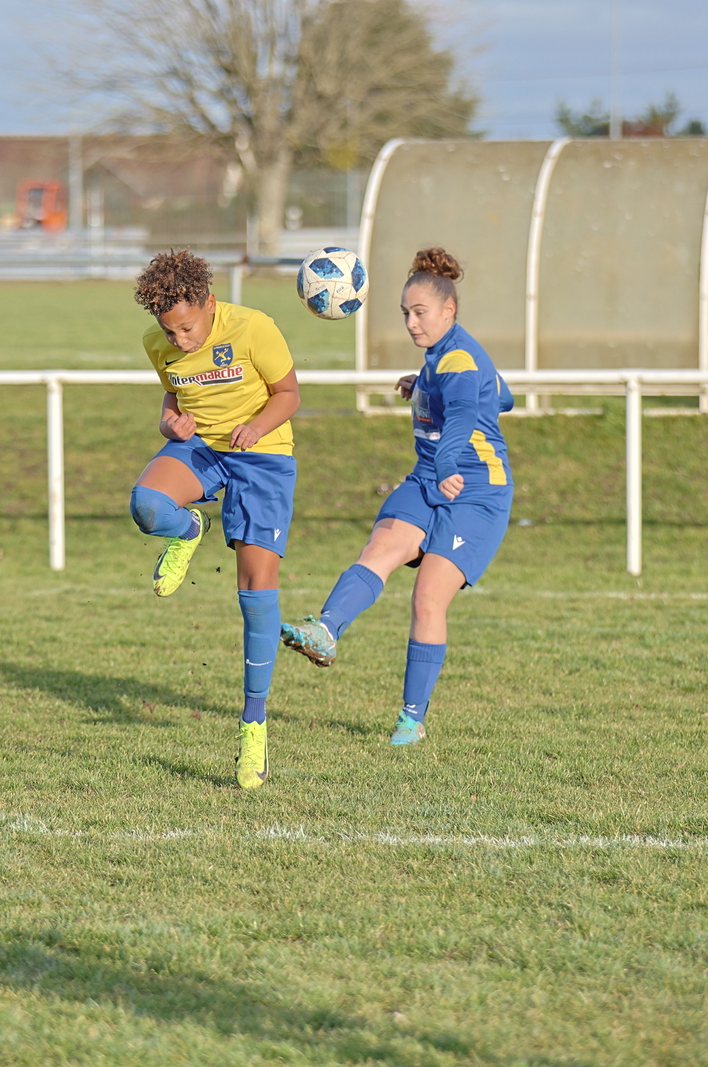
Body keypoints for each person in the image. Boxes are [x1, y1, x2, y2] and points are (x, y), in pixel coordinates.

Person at [280, 247, 513, 745]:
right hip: (428, 479)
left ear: (449, 310)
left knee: (428, 596)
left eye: (420, 313)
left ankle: (412, 719)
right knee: (381, 549)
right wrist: (425, 382)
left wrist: (449, 456)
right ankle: (325, 631)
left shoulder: (458, 360)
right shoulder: (449, 357)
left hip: (476, 492)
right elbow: (502, 396)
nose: (410, 323)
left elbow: (462, 419)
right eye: (405, 313)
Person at [129, 249, 301, 790]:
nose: (179, 340)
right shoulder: (158, 343)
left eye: (187, 328)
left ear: (209, 302)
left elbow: (289, 394)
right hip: (203, 448)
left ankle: (254, 724)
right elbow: (172, 397)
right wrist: (169, 426)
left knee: (255, 594)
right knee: (148, 506)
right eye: (170, 332)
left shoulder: (254, 328)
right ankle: (189, 530)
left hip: (262, 454)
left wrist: (257, 427)